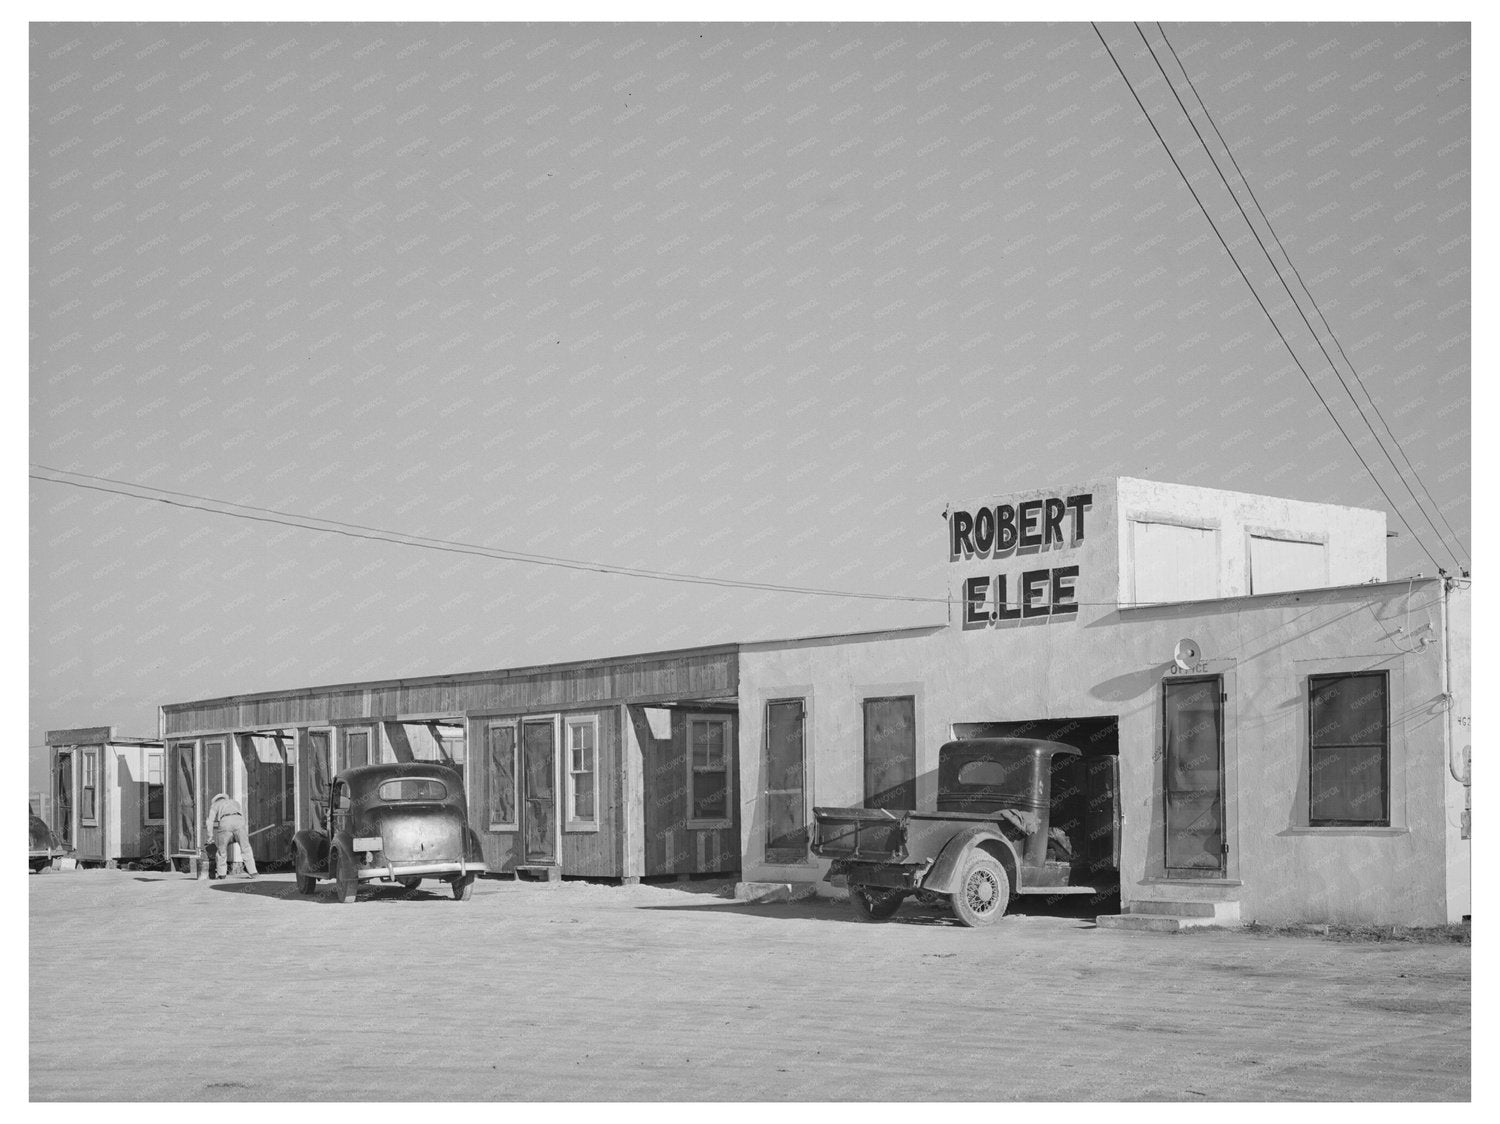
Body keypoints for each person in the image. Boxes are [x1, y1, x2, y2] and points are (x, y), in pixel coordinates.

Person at [204, 792, 258, 879]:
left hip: (225, 822)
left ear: (215, 800)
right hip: (239, 821)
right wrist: (242, 835)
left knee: (222, 851)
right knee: (246, 848)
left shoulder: (215, 805)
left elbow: (209, 821)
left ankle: (222, 875)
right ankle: (253, 872)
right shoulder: (234, 802)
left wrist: (210, 836)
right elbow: (243, 815)